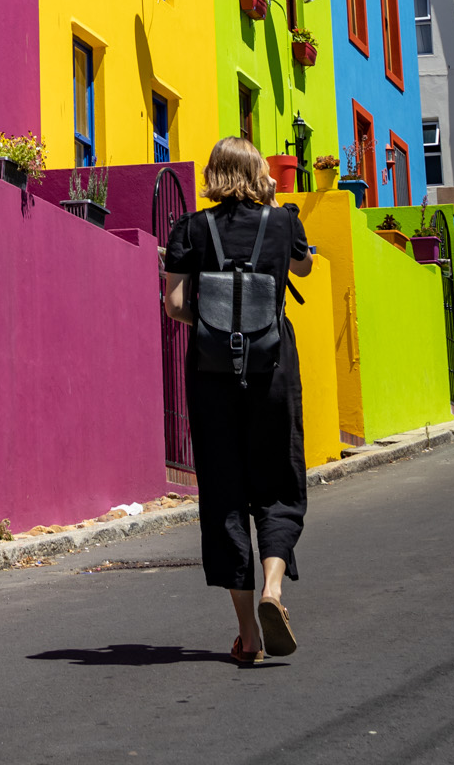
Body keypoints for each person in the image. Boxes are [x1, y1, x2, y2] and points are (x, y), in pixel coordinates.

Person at [163, 136, 314, 666]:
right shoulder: (283, 223)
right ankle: (275, 589)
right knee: (278, 483)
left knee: (225, 496)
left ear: (212, 174)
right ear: (258, 174)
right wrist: (275, 205)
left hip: (211, 378)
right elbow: (303, 270)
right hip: (272, 372)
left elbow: (176, 305)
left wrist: (216, 324)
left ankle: (248, 636)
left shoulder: (190, 228)